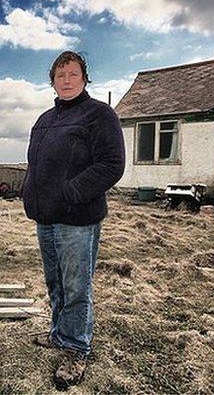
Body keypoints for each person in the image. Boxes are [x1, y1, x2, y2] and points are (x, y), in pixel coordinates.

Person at [22, 51, 125, 389]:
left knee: (77, 287)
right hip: (46, 219)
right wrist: (29, 195)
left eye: (73, 74)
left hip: (77, 219)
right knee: (56, 284)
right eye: (60, 74)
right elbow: (37, 167)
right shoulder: (44, 120)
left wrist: (71, 192)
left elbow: (112, 164)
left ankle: (76, 348)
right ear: (52, 80)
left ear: (84, 79)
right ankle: (58, 334)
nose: (66, 80)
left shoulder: (99, 115)